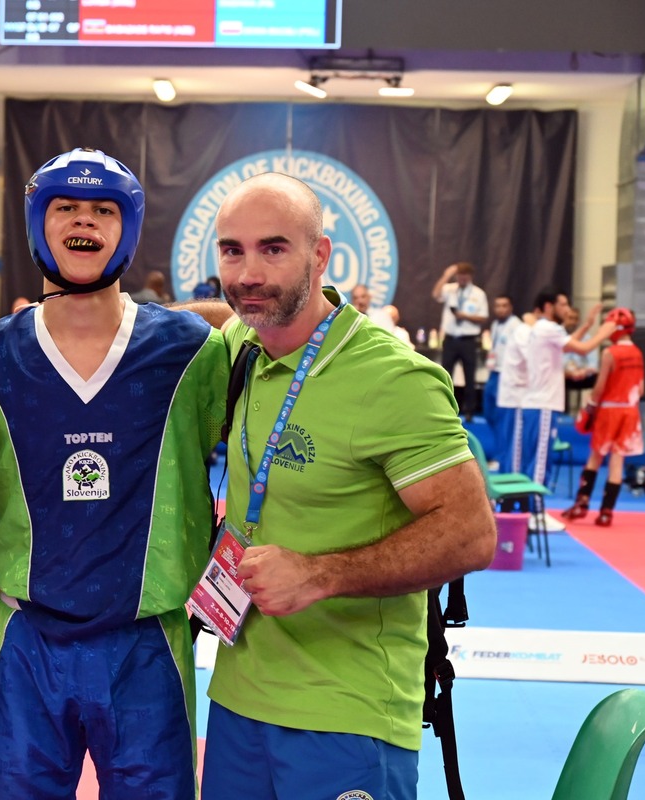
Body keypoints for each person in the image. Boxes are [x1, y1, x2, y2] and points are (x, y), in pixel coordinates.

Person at [203, 172, 497, 800]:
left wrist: (319, 574)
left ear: (320, 255)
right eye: (232, 250)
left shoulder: (391, 378)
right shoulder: (243, 347)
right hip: (236, 697)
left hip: (347, 711)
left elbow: (471, 535)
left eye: (273, 248)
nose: (248, 273)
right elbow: (200, 319)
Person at [0, 147, 227, 799]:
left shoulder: (191, 351)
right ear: (38, 223)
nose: (84, 221)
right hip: (26, 640)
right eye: (67, 207)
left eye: (104, 210)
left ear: (127, 228)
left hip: (148, 642)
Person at [512, 291, 613, 486]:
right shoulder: (549, 328)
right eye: (563, 305)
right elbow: (582, 349)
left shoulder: (542, 328)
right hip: (543, 404)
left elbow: (567, 346)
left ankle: (530, 501)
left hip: (536, 403)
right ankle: (535, 502)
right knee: (540, 463)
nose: (567, 310)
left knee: (534, 460)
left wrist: (587, 325)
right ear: (549, 307)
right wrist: (605, 332)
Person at [563, 308, 645, 526]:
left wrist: (590, 407)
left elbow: (599, 388)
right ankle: (607, 512)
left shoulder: (610, 353)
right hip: (630, 411)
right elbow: (640, 388)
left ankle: (582, 503)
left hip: (609, 410)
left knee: (595, 457)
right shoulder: (638, 352)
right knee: (617, 461)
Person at [431, 262, 488, 419]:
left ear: (470, 277)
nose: (462, 279)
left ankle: (469, 410)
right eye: (459, 276)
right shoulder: (450, 289)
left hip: (468, 340)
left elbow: (483, 317)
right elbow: (435, 294)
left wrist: (465, 316)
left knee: (470, 376)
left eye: (465, 276)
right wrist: (446, 275)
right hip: (450, 339)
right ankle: (443, 407)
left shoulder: (478, 294)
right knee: (445, 374)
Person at [483, 294, 523, 462]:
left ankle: (503, 456)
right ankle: (502, 451)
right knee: (489, 413)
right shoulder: (495, 325)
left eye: (504, 305)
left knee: (503, 418)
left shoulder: (517, 326)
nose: (500, 309)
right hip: (494, 372)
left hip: (507, 375)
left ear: (511, 307)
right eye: (497, 306)